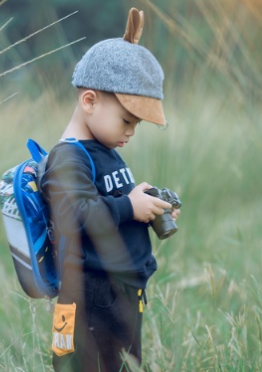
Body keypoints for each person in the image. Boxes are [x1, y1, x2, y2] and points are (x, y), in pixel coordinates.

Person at [40, 7, 180, 372]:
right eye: (126, 120)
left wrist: (148, 207)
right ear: (89, 101)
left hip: (120, 296)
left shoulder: (105, 149)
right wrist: (129, 208)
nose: (131, 131)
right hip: (88, 298)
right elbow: (77, 214)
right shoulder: (68, 158)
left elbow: (111, 204)